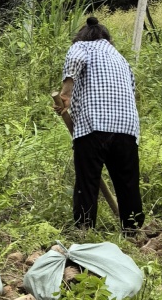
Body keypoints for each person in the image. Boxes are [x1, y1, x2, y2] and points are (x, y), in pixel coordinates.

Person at [57, 16, 143, 230]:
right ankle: (133, 230)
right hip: (126, 126)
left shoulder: (82, 47)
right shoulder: (120, 57)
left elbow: (75, 59)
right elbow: (132, 90)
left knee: (87, 182)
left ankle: (84, 232)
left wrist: (65, 94)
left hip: (93, 125)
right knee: (127, 182)